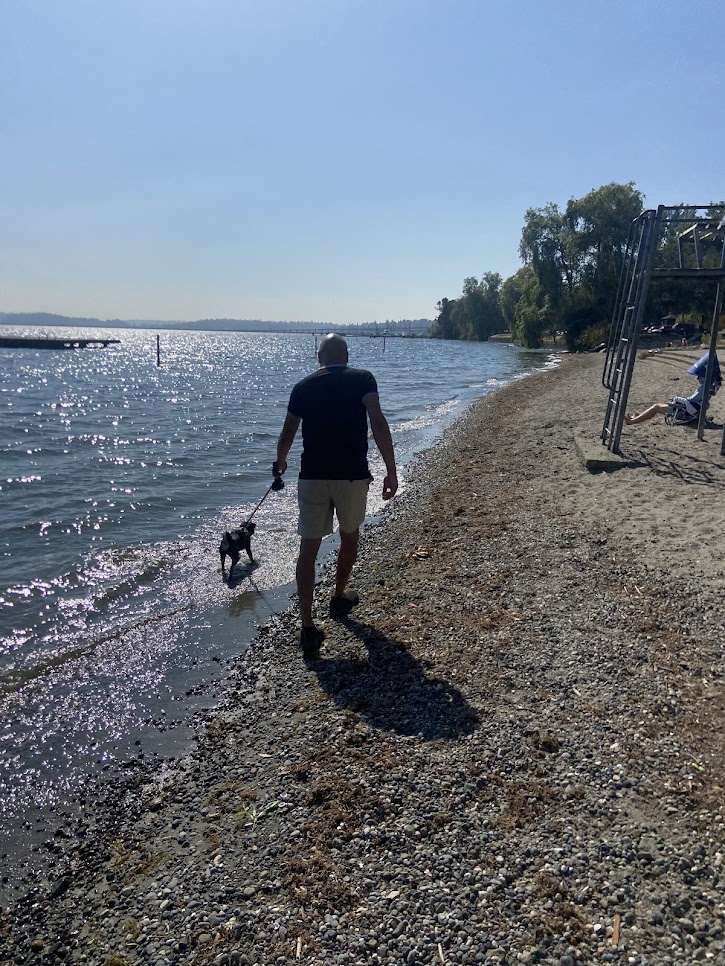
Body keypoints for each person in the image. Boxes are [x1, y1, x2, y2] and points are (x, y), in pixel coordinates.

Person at [274, 333, 398, 657]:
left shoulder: (302, 387)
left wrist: (280, 462)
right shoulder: (363, 379)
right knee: (349, 537)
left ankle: (306, 626)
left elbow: (287, 432)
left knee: (308, 548)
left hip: (312, 476)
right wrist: (391, 469)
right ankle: (339, 595)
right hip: (351, 476)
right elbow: (378, 423)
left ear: (319, 358)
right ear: (346, 354)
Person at [625, 351, 721, 425]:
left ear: (704, 377)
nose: (697, 378)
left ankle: (632, 421)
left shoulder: (703, 389)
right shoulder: (707, 389)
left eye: (699, 376)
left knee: (656, 407)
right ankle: (636, 417)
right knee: (658, 405)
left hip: (682, 411)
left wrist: (676, 399)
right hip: (686, 410)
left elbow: (690, 404)